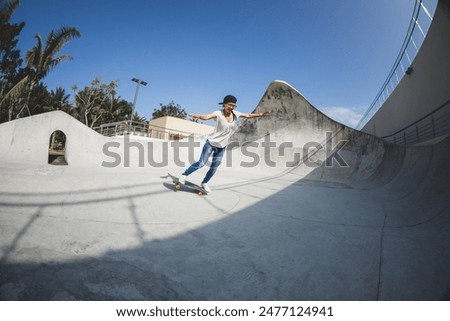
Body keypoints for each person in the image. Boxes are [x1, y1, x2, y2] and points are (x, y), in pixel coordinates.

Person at [179, 95, 270, 192]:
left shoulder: (235, 114)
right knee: (201, 163)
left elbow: (248, 115)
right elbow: (206, 117)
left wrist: (261, 114)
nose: (232, 107)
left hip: (222, 146)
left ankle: (204, 183)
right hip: (211, 143)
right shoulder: (218, 113)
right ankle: (184, 175)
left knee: (214, 167)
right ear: (224, 104)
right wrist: (197, 116)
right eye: (230, 105)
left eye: (234, 106)